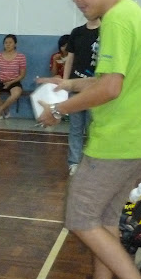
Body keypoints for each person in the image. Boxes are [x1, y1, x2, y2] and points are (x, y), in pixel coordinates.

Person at [37, 0, 141, 279]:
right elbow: (112, 80)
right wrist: (68, 84)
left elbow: (111, 89)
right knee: (105, 221)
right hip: (136, 140)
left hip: (116, 143)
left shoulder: (116, 20)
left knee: (81, 218)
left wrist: (59, 109)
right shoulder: (133, 14)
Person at [62, 17, 100, 175]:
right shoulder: (77, 32)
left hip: (95, 89)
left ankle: (93, 163)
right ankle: (74, 162)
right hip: (75, 87)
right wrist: (65, 82)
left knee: (93, 129)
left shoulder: (106, 32)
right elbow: (70, 59)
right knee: (76, 128)